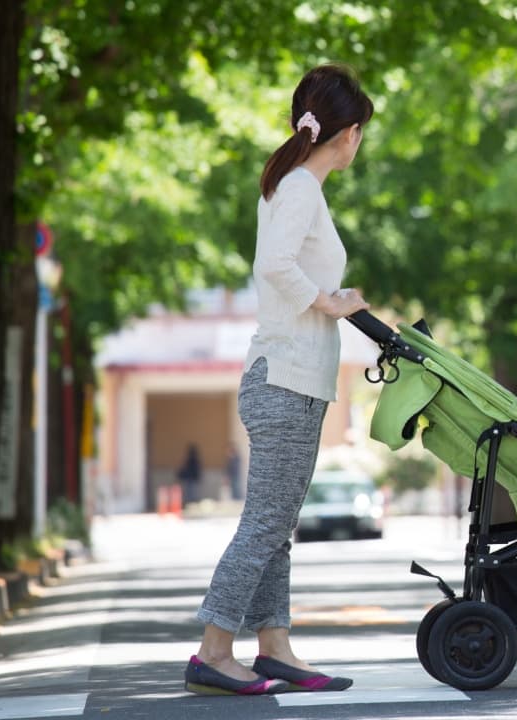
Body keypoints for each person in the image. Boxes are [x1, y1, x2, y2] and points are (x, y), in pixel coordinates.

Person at [186, 64, 374, 697]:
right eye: (362, 133)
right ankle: (214, 648)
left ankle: (274, 646)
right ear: (347, 133)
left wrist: (329, 298)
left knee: (277, 521)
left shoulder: (294, 186)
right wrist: (328, 302)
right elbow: (274, 266)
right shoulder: (300, 188)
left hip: (293, 377)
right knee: (266, 523)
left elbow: (284, 268)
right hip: (284, 380)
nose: (360, 144)